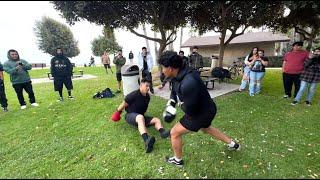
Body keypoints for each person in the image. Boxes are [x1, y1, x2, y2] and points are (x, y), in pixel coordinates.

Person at [159, 51, 240, 167]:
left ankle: (178, 160)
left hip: (200, 113)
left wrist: (177, 108)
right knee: (206, 129)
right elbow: (174, 91)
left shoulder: (188, 82)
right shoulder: (178, 74)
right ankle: (233, 144)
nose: (162, 70)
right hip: (207, 108)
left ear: (171, 68)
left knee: (174, 133)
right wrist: (171, 103)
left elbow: (190, 111)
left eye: (163, 68)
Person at [111, 78, 170, 153]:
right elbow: (123, 105)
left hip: (140, 117)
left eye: (149, 86)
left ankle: (162, 132)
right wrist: (117, 113)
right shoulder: (133, 95)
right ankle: (146, 140)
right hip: (130, 116)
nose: (148, 88)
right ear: (141, 85)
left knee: (156, 120)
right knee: (140, 117)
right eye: (146, 86)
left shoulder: (147, 97)